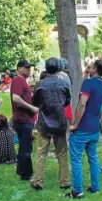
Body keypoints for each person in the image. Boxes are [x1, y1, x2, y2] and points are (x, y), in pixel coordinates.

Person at [65, 60, 102, 198]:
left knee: (76, 159)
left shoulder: (89, 83)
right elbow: (100, 107)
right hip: (94, 127)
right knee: (93, 158)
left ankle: (77, 191)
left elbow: (82, 104)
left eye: (91, 67)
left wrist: (75, 124)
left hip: (83, 127)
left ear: (95, 69)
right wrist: (85, 73)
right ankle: (96, 187)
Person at [30, 57, 72, 191]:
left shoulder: (40, 84)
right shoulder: (63, 84)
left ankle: (38, 181)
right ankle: (64, 181)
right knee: (62, 153)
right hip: (60, 122)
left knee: (41, 154)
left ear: (46, 68)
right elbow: (67, 101)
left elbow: (35, 102)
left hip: (44, 123)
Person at [11, 60, 39, 181]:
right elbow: (15, 98)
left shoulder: (22, 81)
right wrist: (32, 107)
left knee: (24, 147)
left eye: (30, 68)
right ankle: (26, 174)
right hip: (23, 119)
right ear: (19, 69)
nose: (29, 69)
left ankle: (22, 170)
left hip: (24, 118)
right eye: (26, 67)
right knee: (26, 148)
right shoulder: (18, 80)